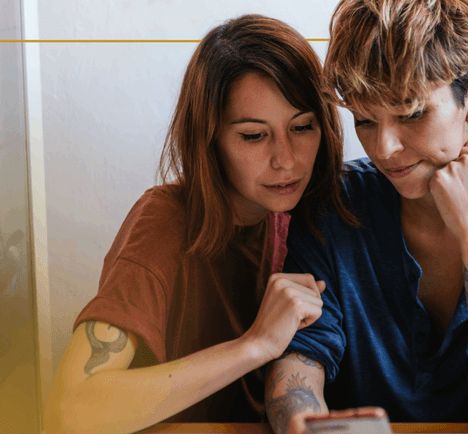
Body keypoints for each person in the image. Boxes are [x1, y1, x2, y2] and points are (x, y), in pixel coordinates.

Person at [263, 1, 468, 433]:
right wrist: (303, 425)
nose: (383, 148)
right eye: (365, 120)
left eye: (411, 113)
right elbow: (303, 353)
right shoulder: (331, 204)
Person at [44, 14, 358, 434]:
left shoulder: (316, 216)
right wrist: (255, 344)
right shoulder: (165, 222)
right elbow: (69, 412)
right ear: (209, 139)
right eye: (253, 136)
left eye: (302, 127)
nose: (287, 160)